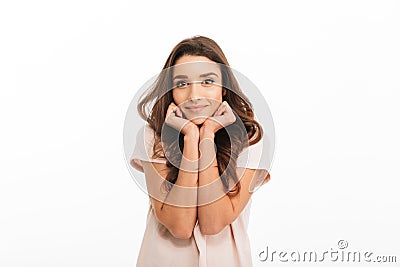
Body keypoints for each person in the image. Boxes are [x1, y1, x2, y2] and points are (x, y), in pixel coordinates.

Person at [129, 35, 271, 267]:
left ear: (224, 88)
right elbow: (180, 226)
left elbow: (213, 223)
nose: (194, 95)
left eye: (208, 81)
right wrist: (191, 137)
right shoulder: (152, 136)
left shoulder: (249, 139)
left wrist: (207, 136)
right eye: (182, 84)